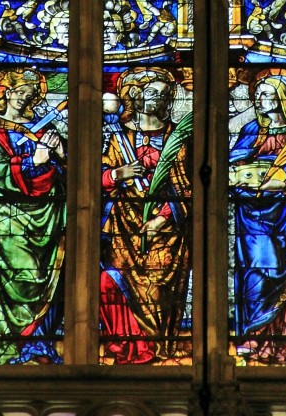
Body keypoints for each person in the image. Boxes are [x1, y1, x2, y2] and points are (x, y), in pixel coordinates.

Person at [0, 68, 66, 364]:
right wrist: (32, 160)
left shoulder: (41, 127)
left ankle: (37, 347)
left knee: (46, 275)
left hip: (47, 213)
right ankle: (8, 344)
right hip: (5, 215)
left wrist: (57, 152)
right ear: (6, 92)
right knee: (25, 274)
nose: (26, 99)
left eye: (31, 94)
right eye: (21, 92)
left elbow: (66, 173)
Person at [100, 67, 192, 363]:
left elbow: (190, 187)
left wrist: (162, 219)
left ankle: (157, 346)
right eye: (153, 92)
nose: (160, 99)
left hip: (167, 230)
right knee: (112, 280)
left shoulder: (178, 138)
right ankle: (124, 345)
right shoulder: (117, 137)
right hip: (122, 225)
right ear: (135, 97)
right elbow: (94, 179)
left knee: (158, 290)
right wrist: (117, 173)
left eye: (165, 94)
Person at [229, 69, 286, 364]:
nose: (260, 100)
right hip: (251, 216)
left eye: (267, 95)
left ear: (284, 99)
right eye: (258, 95)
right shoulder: (250, 132)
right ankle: (254, 336)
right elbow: (230, 163)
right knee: (256, 272)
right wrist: (241, 175)